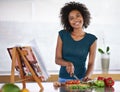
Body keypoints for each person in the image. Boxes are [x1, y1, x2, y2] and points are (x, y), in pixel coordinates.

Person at [55, 1, 97, 83]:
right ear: (68, 21)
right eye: (71, 18)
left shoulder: (91, 39)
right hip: (63, 80)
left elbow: (91, 64)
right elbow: (57, 59)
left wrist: (87, 77)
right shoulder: (62, 35)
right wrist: (68, 63)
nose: (75, 20)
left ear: (84, 17)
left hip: (81, 80)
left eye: (78, 16)